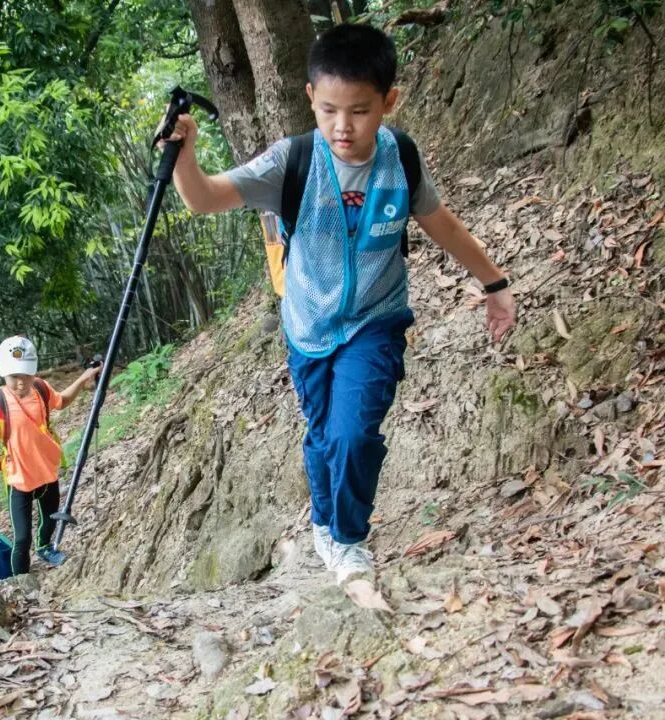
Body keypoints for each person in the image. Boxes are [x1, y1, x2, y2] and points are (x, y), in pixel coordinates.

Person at [163, 24, 516, 586]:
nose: (342, 127)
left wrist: (495, 284)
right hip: (307, 328)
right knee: (324, 433)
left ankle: (348, 540)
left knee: (353, 435)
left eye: (359, 111)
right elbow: (205, 198)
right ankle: (324, 521)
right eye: (329, 110)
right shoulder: (292, 161)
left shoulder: (400, 158)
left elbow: (441, 224)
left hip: (376, 320)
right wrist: (184, 154)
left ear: (389, 102)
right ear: (310, 98)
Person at [0, 336, 101, 575]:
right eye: (14, 376)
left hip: (47, 471)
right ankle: (19, 580)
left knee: (49, 520)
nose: (20, 382)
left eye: (26, 374)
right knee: (21, 538)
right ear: (3, 373)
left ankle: (45, 547)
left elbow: (61, 401)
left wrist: (83, 379)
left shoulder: (40, 388)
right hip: (19, 479)